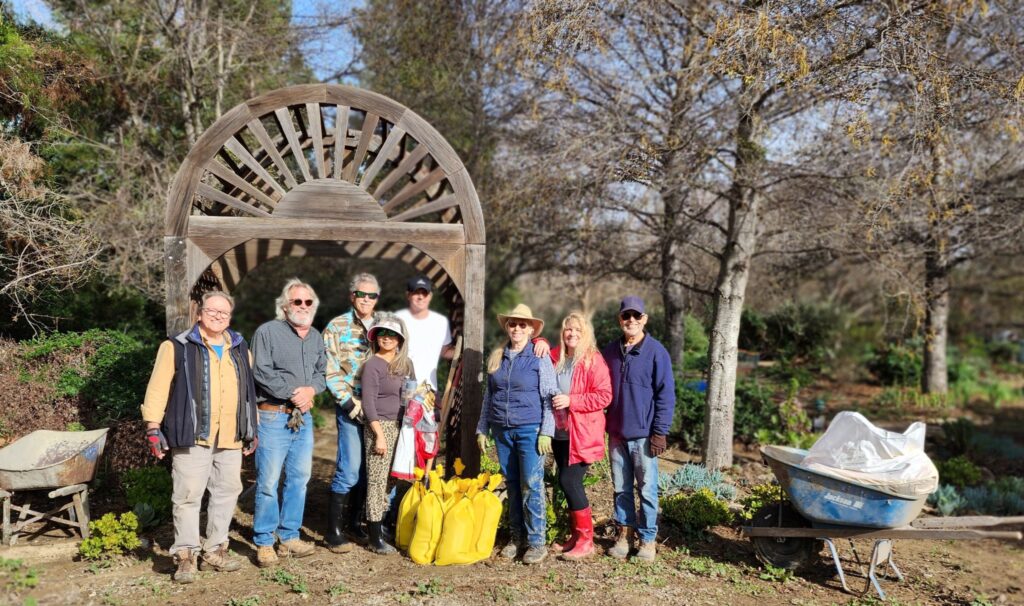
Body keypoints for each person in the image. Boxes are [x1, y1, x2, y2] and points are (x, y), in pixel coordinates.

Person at [141, 291, 258, 584]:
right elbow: (157, 388)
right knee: (188, 495)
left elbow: (248, 393)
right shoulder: (177, 346)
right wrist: (153, 427)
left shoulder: (241, 348)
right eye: (212, 310)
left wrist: (252, 429)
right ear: (199, 313)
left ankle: (215, 549)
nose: (218, 316)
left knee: (227, 491)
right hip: (193, 434)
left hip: (231, 435)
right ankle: (186, 555)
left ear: (230, 317)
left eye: (224, 312)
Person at [250, 279, 327, 567]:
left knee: (299, 480)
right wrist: (293, 393)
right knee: (269, 481)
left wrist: (311, 391)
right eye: (297, 301)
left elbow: (322, 372)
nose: (303, 306)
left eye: (308, 302)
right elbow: (261, 371)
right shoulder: (267, 332)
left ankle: (289, 535)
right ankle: (265, 541)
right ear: (285, 306)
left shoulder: (316, 337)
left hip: (303, 419)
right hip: (273, 416)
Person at [475, 304, 558, 565]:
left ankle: (536, 542)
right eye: (513, 324)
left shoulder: (539, 355)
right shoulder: (498, 356)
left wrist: (547, 431)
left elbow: (550, 395)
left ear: (531, 329)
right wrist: (482, 427)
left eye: (523, 324)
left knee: (531, 485)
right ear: (507, 327)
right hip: (502, 430)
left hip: (529, 429)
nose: (517, 328)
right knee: (511, 484)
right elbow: (490, 395)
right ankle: (516, 537)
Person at [601, 296, 675, 562]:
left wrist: (660, 432)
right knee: (621, 488)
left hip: (644, 436)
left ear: (644, 319)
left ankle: (647, 540)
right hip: (617, 434)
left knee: (646, 490)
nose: (630, 320)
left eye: (636, 316)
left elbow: (666, 395)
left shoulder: (656, 352)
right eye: (625, 316)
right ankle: (624, 535)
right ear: (620, 319)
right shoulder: (609, 352)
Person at [322, 272, 381, 553]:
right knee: (349, 469)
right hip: (352, 407)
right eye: (362, 294)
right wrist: (348, 403)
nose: (367, 299)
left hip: (380, 410)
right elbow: (329, 369)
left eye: (372, 295)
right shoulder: (337, 326)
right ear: (352, 296)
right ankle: (333, 531)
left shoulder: (386, 326)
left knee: (371, 470)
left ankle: (355, 523)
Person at [549, 312, 612, 560]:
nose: (572, 334)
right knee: (565, 481)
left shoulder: (592, 360)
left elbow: (604, 395)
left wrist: (572, 400)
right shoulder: (557, 357)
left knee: (570, 481)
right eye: (568, 329)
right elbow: (534, 350)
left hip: (582, 434)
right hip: (559, 434)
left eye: (577, 330)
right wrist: (540, 342)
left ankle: (587, 540)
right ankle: (576, 536)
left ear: (585, 334)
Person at [360, 314, 415, 554]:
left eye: (392, 334)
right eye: (382, 334)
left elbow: (412, 392)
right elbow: (368, 402)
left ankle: (379, 524)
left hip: (401, 427)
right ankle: (374, 537)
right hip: (380, 426)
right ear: (376, 338)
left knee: (392, 479)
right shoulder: (373, 364)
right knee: (376, 480)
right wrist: (379, 435)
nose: (387, 338)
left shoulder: (406, 364)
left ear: (400, 339)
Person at [394, 275, 454, 395]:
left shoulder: (441, 322)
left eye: (424, 293)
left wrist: (464, 355)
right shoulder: (398, 318)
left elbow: (445, 351)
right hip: (399, 387)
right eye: (416, 293)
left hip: (428, 390)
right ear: (408, 295)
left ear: (430, 296)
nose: (421, 297)